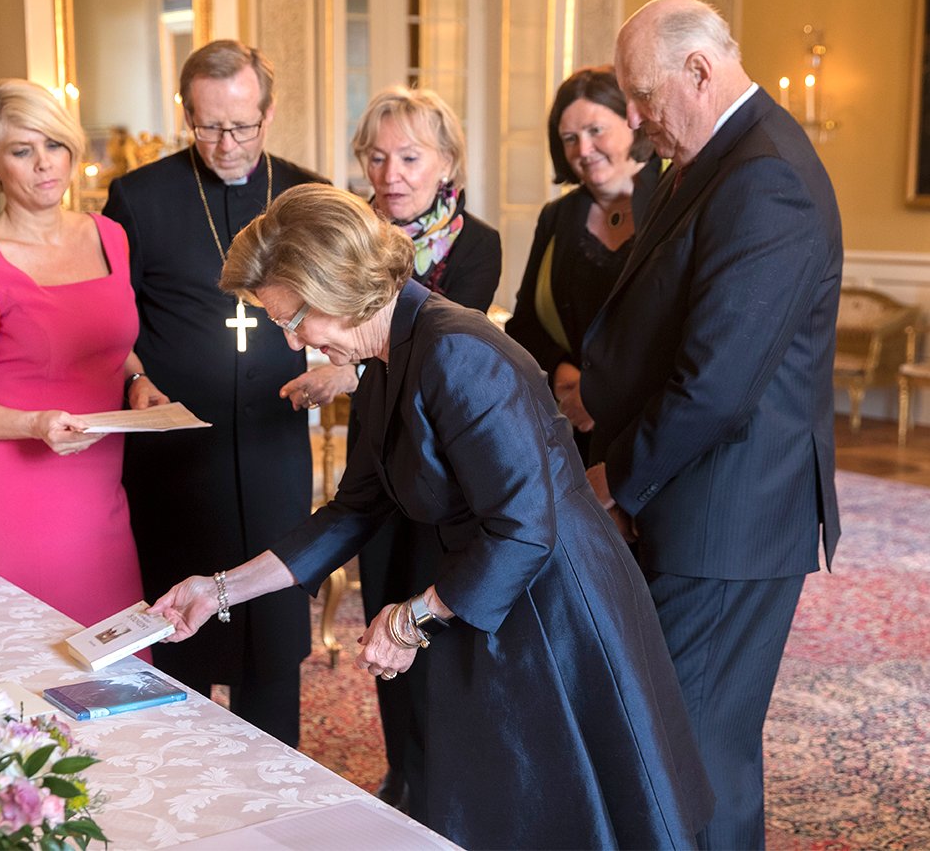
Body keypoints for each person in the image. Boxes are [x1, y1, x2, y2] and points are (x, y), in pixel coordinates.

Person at [150, 183, 714, 849]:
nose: (293, 338)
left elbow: (525, 530)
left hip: (556, 605)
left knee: (570, 813)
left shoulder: (456, 350)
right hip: (486, 593)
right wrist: (219, 590)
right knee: (505, 805)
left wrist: (415, 617)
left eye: (292, 317)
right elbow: (355, 509)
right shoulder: (386, 357)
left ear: (337, 285)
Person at [581, 0, 842, 849]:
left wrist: (616, 479)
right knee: (677, 746)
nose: (635, 118)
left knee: (695, 760)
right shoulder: (714, 156)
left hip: (728, 518)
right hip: (693, 504)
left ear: (698, 70)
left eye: (642, 94)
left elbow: (717, 386)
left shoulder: (767, 175)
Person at [101, 40, 326, 747]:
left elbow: (348, 308)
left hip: (273, 449)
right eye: (208, 126)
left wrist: (338, 368)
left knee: (272, 639)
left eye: (242, 126)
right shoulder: (138, 198)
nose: (226, 144)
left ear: (269, 112)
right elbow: (111, 319)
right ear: (185, 113)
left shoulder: (306, 196)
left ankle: (277, 786)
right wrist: (135, 375)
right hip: (175, 458)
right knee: (178, 640)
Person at [283, 85, 501, 812]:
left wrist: (343, 372)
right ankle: (402, 772)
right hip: (378, 454)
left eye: (409, 157)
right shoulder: (350, 239)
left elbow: (436, 345)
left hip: (447, 466)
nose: (391, 174)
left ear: (447, 163)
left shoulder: (478, 244)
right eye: (376, 158)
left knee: (436, 618)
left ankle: (448, 781)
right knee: (382, 609)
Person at [0, 78, 148, 628]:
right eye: (22, 151)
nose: (45, 163)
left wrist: (138, 381)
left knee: (115, 650)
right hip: (15, 490)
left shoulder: (110, 237)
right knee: (29, 657)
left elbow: (108, 345)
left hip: (99, 483)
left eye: (54, 144)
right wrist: (34, 424)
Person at [506, 66, 660, 463]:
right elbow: (524, 324)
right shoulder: (557, 217)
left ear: (632, 121)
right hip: (574, 429)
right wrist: (562, 374)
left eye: (596, 130)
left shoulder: (672, 198)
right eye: (570, 139)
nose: (583, 150)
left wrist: (602, 394)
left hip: (654, 429)